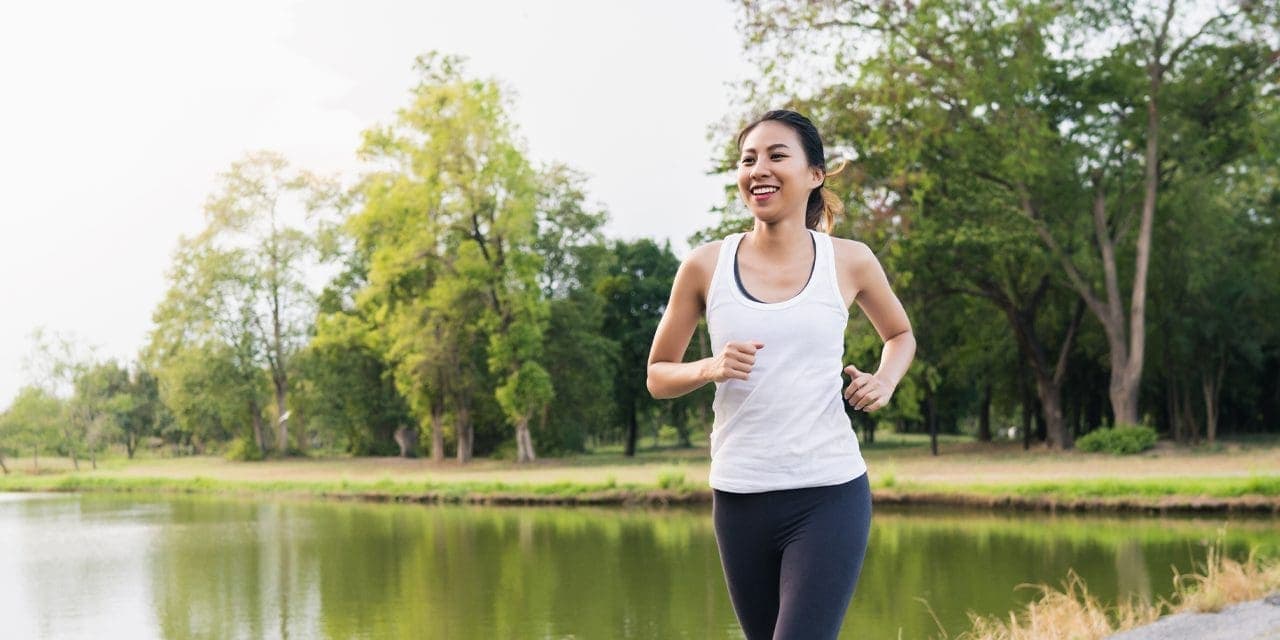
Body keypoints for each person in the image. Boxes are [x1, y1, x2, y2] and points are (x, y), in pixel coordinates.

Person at [646, 109, 916, 640]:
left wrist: (884, 382)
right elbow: (658, 375)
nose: (758, 170)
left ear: (814, 174)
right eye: (748, 159)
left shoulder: (850, 261)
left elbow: (900, 335)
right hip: (739, 496)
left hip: (829, 492)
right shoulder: (704, 266)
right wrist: (711, 366)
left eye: (776, 156)